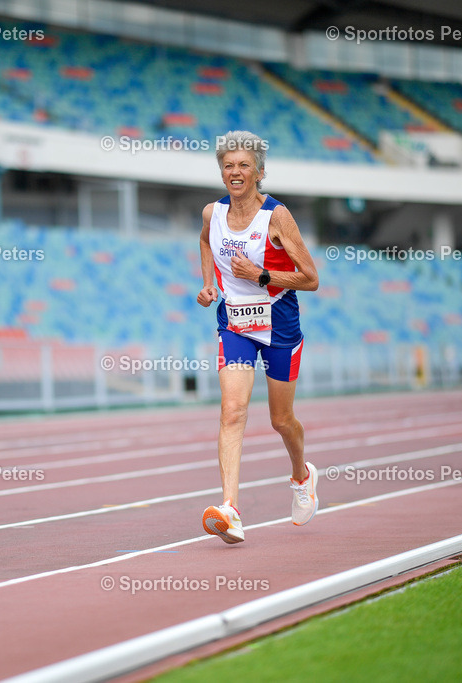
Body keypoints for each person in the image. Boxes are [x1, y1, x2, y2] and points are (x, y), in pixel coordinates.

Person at [196, 130, 320, 544]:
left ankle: (302, 476)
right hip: (234, 323)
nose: (235, 172)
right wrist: (209, 283)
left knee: (280, 420)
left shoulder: (277, 217)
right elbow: (204, 244)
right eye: (228, 165)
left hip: (280, 324)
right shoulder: (211, 213)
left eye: (243, 165)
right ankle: (230, 508)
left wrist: (261, 276)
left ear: (259, 172)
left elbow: (311, 278)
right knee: (232, 410)